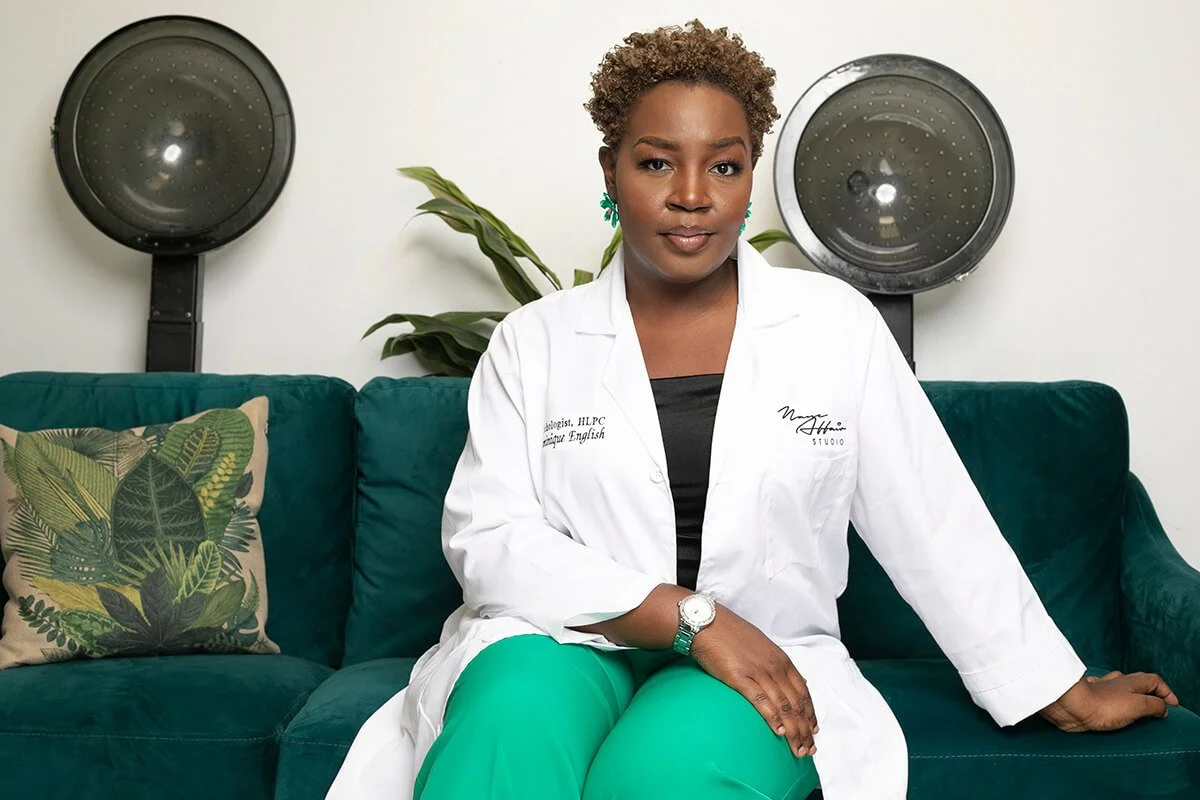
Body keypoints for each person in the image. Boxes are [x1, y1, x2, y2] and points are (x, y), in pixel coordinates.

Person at [328, 20, 1178, 800]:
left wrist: (1055, 688)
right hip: (561, 639)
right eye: (657, 161)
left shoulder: (831, 328)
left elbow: (934, 517)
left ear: (746, 177)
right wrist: (686, 618)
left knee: (658, 779)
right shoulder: (535, 341)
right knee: (505, 743)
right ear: (611, 174)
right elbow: (492, 540)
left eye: (724, 165)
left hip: (762, 654)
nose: (692, 194)